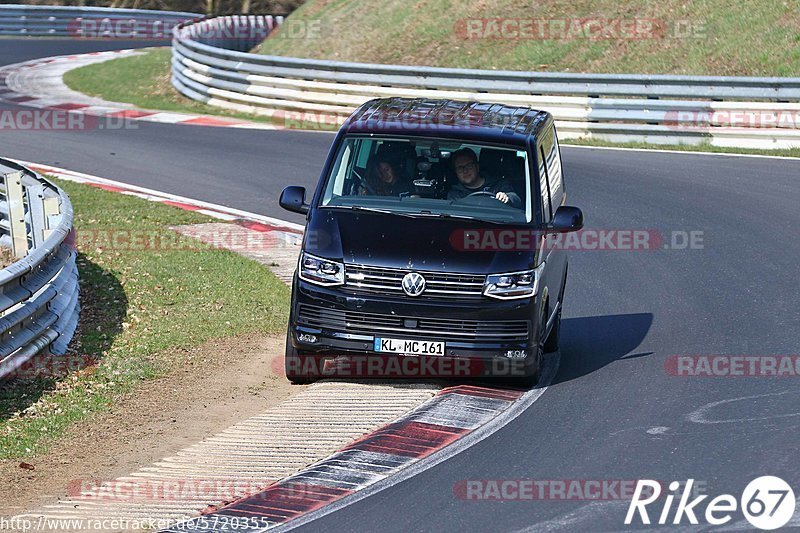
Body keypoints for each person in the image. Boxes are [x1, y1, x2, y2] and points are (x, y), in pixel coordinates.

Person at [447, 148, 521, 208]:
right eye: (460, 168)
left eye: (469, 166)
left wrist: (507, 198)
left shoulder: (498, 184)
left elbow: (516, 200)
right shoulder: (454, 195)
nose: (465, 171)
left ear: (477, 167)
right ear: (456, 172)